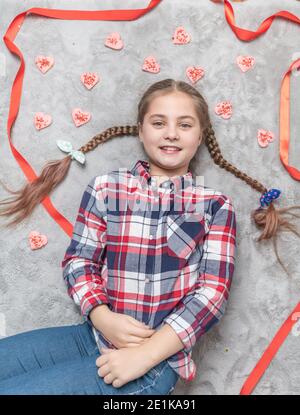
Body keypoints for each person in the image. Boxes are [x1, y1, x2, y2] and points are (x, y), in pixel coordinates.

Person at [0, 79, 297, 395]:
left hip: (154, 363)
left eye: (185, 124)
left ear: (200, 136)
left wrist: (145, 355)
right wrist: (102, 318)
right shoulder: (106, 188)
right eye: (159, 123)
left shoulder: (214, 205)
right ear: (141, 131)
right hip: (94, 335)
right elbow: (79, 262)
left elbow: (211, 295)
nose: (171, 133)